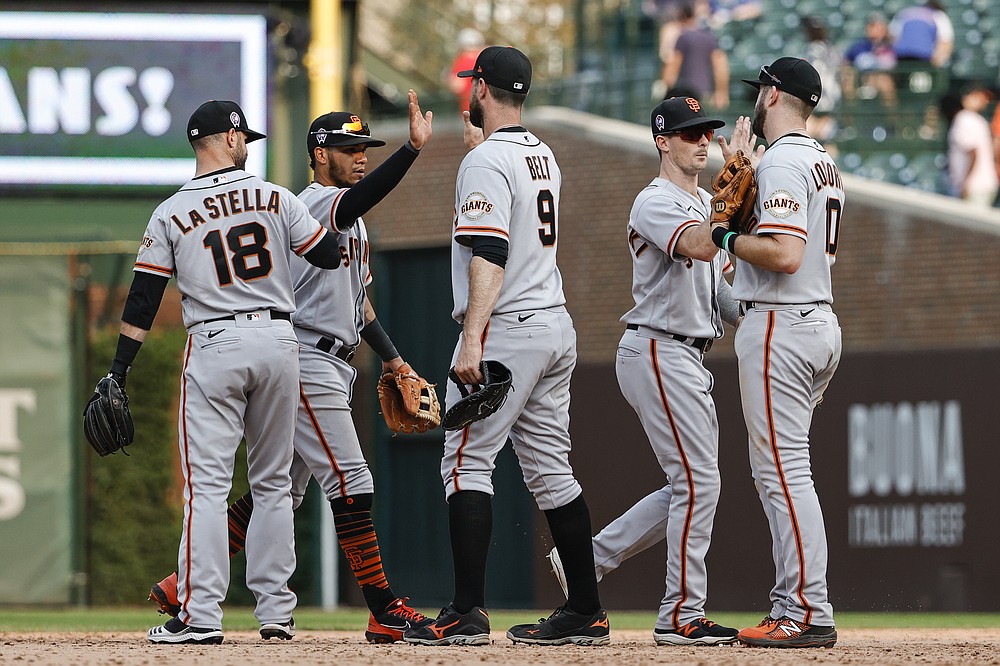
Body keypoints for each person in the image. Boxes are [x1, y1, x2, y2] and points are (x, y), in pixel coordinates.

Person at [147, 93, 438, 643]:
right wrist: (410, 152)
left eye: (366, 148)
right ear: (318, 153)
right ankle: (383, 608)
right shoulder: (318, 202)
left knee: (278, 492)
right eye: (349, 148)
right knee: (351, 480)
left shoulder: (350, 221)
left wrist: (396, 358)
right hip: (302, 358)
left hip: (328, 358)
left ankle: (180, 585)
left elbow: (361, 305)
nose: (360, 157)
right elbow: (356, 205)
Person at [111, 100, 346, 644]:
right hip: (278, 339)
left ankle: (201, 617)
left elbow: (144, 299)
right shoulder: (275, 196)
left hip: (215, 342)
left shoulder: (170, 211)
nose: (248, 145)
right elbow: (329, 255)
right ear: (228, 137)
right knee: (272, 485)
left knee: (208, 490)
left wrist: (119, 371)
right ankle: (276, 614)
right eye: (244, 137)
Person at [403, 45, 610, 647]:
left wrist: (472, 340)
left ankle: (466, 611)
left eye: (475, 83)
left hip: (506, 327)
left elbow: (491, 251)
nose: (471, 90)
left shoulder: (486, 162)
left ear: (484, 90)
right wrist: (479, 155)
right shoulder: (542, 153)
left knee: (465, 461)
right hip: (553, 323)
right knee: (552, 474)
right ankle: (586, 609)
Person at [554, 96, 743, 646]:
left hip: (686, 353)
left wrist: (759, 324)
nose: (702, 141)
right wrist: (732, 215)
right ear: (662, 141)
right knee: (698, 482)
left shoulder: (708, 200)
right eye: (689, 134)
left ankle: (587, 561)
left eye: (706, 132)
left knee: (693, 485)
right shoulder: (654, 200)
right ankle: (681, 612)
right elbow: (702, 246)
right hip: (658, 348)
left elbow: (721, 290)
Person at [712, 56, 844, 648]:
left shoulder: (786, 161)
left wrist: (722, 236)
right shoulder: (822, 161)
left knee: (784, 474)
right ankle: (804, 602)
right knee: (790, 472)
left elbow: (785, 255)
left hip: (782, 326)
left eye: (758, 90)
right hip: (817, 323)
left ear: (771, 96)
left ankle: (804, 608)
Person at [661, 3, 730, 110]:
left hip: (685, 95)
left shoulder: (683, 37)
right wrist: (721, 92)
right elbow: (721, 68)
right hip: (705, 94)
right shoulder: (709, 37)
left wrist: (667, 90)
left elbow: (673, 66)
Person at [947, 84, 998, 208]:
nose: (984, 101)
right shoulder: (972, 119)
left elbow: (973, 153)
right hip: (983, 185)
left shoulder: (966, 118)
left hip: (974, 186)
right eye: (979, 96)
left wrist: (966, 183)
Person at [841, 12, 897, 106]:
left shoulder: (891, 46)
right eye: (870, 25)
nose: (871, 29)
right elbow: (845, 64)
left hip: (883, 81)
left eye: (875, 25)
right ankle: (851, 114)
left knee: (884, 81)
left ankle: (893, 118)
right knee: (848, 79)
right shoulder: (859, 47)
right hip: (860, 80)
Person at [802, 17, 841, 143]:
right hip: (828, 99)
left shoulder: (816, 49)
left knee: (817, 137)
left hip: (822, 98)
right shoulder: (830, 48)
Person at [890, 1, 953, 68]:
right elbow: (945, 41)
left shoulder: (904, 13)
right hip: (925, 58)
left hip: (901, 56)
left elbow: (893, 36)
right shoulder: (938, 15)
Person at [448, 28, 485, 114]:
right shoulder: (485, 59)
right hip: (487, 110)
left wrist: (448, 79)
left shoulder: (463, 60)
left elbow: (457, 86)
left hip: (470, 110)